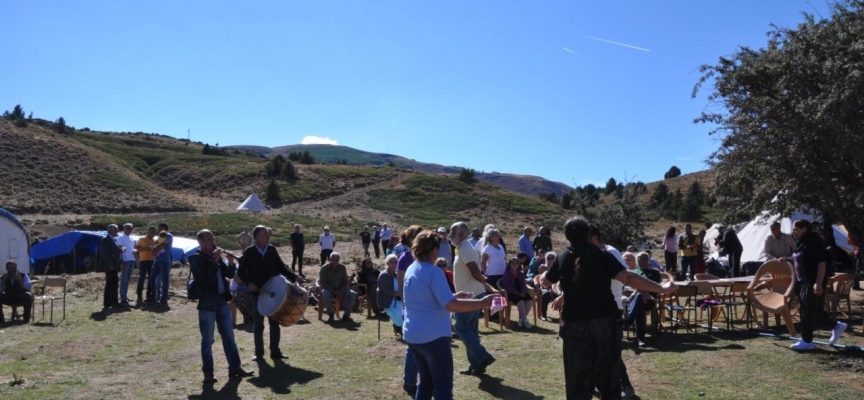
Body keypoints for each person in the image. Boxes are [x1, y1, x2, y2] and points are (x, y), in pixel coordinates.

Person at [543, 216, 676, 400]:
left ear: (568, 237)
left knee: (577, 381)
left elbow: (546, 281)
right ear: (589, 233)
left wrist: (564, 289)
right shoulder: (602, 255)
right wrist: (661, 288)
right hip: (603, 325)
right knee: (608, 379)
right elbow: (628, 278)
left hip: (574, 326)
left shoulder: (563, 257)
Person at [403, 230, 497, 400]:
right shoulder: (434, 272)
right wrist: (483, 303)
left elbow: (427, 299)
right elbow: (451, 306)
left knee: (426, 383)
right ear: (433, 250)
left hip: (414, 335)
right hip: (433, 338)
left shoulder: (412, 268)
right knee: (443, 387)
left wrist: (454, 295)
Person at [189, 230, 255, 383]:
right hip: (207, 304)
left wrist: (231, 262)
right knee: (208, 341)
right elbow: (205, 280)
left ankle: (235, 368)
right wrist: (214, 261)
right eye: (208, 240)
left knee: (229, 337)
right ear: (200, 242)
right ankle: (208, 373)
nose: (212, 242)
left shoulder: (216, 257)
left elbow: (230, 275)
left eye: (213, 238)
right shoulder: (196, 259)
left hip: (221, 301)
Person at [237, 225, 301, 361]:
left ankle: (275, 352)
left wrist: (294, 277)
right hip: (257, 293)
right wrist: (249, 283)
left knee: (274, 323)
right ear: (258, 237)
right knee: (259, 324)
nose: (268, 236)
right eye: (265, 234)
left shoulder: (271, 250)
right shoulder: (249, 252)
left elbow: (281, 267)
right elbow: (241, 271)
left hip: (273, 291)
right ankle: (259, 353)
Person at [588, 226, 636, 398]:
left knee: (611, 351)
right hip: (596, 309)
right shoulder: (593, 255)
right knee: (597, 349)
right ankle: (596, 383)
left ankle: (627, 386)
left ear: (594, 239)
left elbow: (626, 275)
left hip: (611, 308)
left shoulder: (611, 252)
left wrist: (658, 288)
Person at [785, 219, 847, 350]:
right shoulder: (801, 242)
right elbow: (802, 258)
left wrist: (818, 284)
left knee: (807, 311)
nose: (793, 231)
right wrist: (786, 259)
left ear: (804, 229)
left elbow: (821, 264)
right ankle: (837, 326)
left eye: (796, 229)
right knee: (816, 312)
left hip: (812, 281)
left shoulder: (813, 242)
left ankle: (807, 341)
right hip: (802, 281)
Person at [449, 222, 499, 376]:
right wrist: (480, 279)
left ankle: (482, 357)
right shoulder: (464, 248)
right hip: (472, 293)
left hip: (470, 295)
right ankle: (476, 364)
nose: (450, 236)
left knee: (460, 327)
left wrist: (481, 280)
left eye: (453, 232)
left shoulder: (464, 248)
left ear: (462, 234)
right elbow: (475, 270)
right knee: (470, 329)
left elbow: (474, 269)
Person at [395, 225, 426, 395]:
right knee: (414, 346)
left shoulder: (421, 258)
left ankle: (414, 380)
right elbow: (401, 288)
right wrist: (407, 307)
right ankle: (410, 381)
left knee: (417, 346)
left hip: (421, 307)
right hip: (413, 308)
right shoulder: (405, 259)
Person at [625, 253, 662, 347]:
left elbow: (655, 287)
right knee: (639, 303)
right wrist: (641, 291)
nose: (643, 261)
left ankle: (629, 320)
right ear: (637, 261)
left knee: (639, 299)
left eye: (645, 259)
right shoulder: (633, 272)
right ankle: (640, 339)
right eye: (641, 259)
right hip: (636, 301)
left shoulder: (655, 273)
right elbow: (626, 287)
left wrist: (640, 291)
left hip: (650, 300)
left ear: (649, 261)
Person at [318, 252, 356, 322]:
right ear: (330, 259)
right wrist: (335, 291)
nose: (335, 261)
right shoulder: (324, 269)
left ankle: (346, 315)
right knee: (325, 293)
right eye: (333, 259)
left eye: (337, 259)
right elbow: (324, 283)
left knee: (352, 294)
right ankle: (330, 314)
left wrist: (341, 291)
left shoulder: (342, 268)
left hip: (341, 290)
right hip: (329, 290)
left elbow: (345, 281)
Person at [503, 257, 533, 328]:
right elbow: (508, 286)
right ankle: (525, 320)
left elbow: (523, 284)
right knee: (520, 301)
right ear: (509, 264)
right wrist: (517, 293)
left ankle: (521, 319)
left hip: (520, 292)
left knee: (529, 300)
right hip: (511, 293)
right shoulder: (507, 273)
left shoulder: (520, 273)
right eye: (513, 263)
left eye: (516, 263)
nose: (514, 265)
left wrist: (522, 291)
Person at [378, 254, 403, 337]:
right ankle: (399, 327)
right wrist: (400, 294)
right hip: (388, 301)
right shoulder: (384, 275)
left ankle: (399, 327)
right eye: (391, 262)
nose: (394, 264)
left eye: (396, 262)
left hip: (398, 300)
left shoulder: (396, 274)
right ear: (387, 263)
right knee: (400, 313)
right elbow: (387, 291)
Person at [0, 260, 32, 325]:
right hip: (9, 297)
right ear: (7, 269)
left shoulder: (23, 275)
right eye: (10, 268)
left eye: (14, 268)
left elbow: (28, 287)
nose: (12, 270)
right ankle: (1, 320)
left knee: (28, 295)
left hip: (20, 297)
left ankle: (26, 319)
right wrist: (3, 281)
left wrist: (20, 281)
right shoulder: (4, 277)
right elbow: (1, 290)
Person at [149, 223, 173, 306]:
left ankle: (164, 298)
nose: (158, 230)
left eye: (160, 228)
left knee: (164, 280)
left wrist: (154, 247)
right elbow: (156, 245)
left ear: (165, 228)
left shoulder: (168, 235)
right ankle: (155, 295)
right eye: (158, 229)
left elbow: (161, 246)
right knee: (152, 278)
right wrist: (155, 247)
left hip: (164, 261)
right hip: (157, 260)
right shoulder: (160, 236)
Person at [100, 224, 123, 310]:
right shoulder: (106, 239)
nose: (117, 232)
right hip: (110, 266)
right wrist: (110, 265)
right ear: (111, 230)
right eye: (116, 230)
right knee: (110, 284)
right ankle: (109, 303)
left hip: (114, 265)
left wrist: (119, 250)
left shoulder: (113, 239)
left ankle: (113, 302)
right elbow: (105, 254)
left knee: (114, 283)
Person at [134, 227, 157, 307]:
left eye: (154, 232)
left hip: (151, 261)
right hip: (143, 261)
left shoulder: (154, 241)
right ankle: (139, 296)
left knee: (151, 278)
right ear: (147, 232)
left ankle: (149, 295)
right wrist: (145, 249)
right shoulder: (142, 239)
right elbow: (136, 248)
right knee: (142, 278)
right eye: (151, 232)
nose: (152, 234)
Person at [116, 223, 136, 307]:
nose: (129, 230)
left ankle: (125, 295)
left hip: (131, 259)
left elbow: (132, 248)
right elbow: (119, 249)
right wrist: (121, 261)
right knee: (124, 279)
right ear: (124, 229)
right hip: (125, 260)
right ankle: (122, 297)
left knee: (128, 279)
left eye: (131, 228)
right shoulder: (120, 237)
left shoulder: (131, 238)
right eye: (128, 228)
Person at [536, 251, 557, 321]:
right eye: (548, 258)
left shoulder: (558, 267)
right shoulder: (543, 267)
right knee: (546, 294)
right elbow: (543, 279)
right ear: (546, 259)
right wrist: (549, 288)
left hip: (555, 287)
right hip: (545, 286)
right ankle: (543, 314)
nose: (550, 259)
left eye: (552, 258)